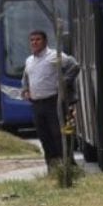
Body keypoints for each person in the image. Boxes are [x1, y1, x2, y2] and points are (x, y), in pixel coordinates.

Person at [21, 30, 80, 171]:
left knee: (59, 136)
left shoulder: (54, 55)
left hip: (54, 103)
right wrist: (25, 89)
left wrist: (64, 81)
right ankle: (52, 168)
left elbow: (74, 66)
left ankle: (67, 168)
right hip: (37, 104)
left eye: (38, 40)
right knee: (44, 137)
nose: (34, 43)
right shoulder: (29, 60)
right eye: (32, 40)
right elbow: (25, 78)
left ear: (45, 41)